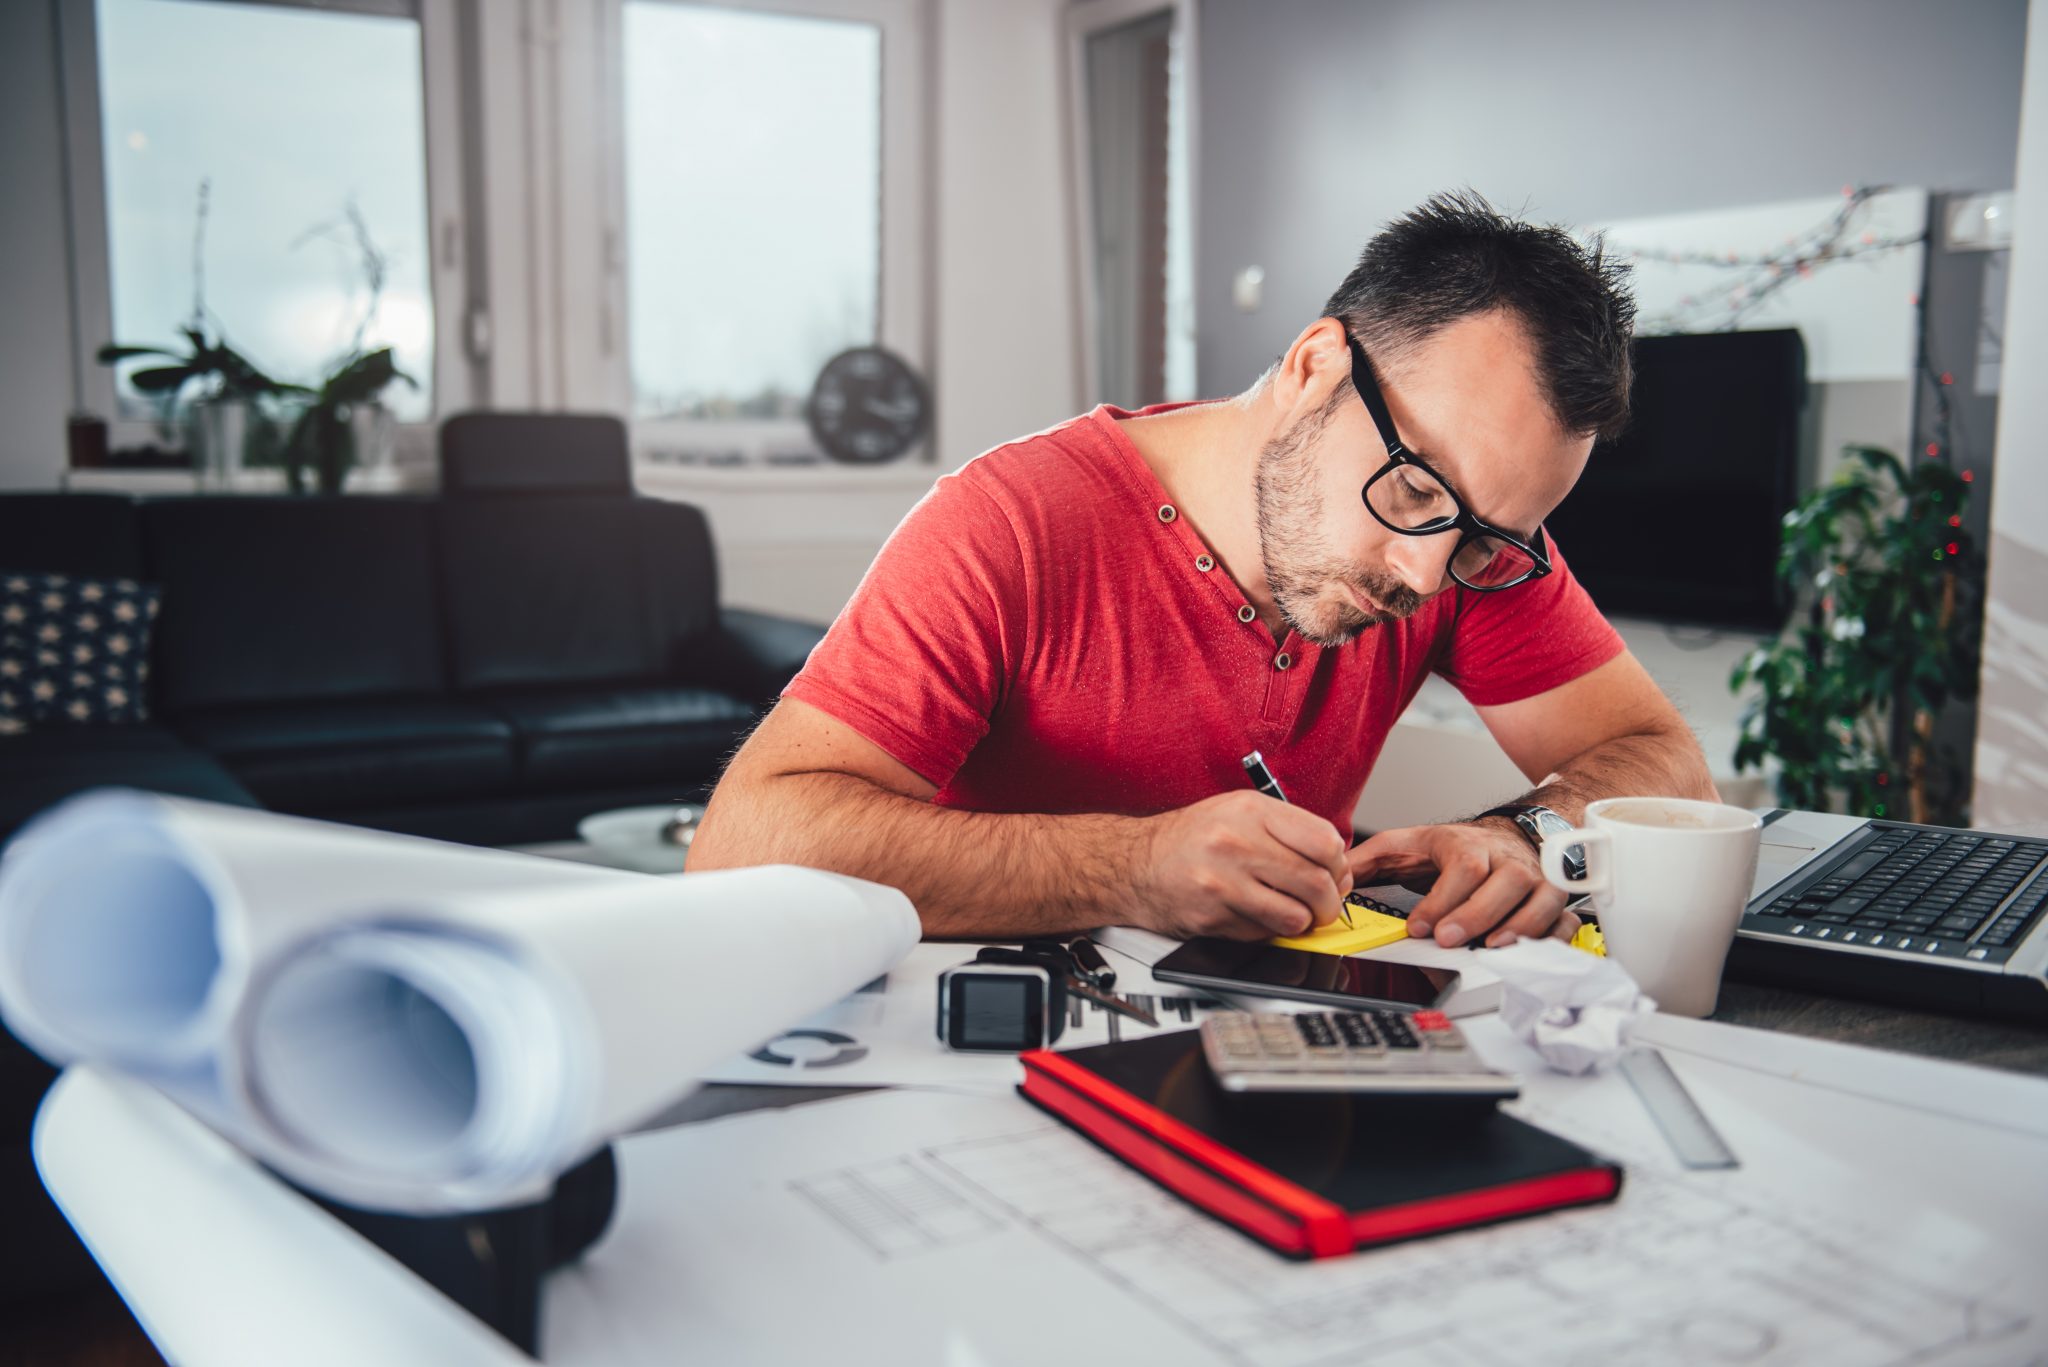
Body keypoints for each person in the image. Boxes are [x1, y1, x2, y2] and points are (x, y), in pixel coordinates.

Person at [688, 191, 1717, 949]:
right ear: (1315, 367)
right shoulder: (1008, 523)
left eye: (1481, 541)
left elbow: (1662, 761)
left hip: (1272, 1051)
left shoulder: (1466, 537)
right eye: (1410, 491)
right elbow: (741, 847)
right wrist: (1127, 867)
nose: (1423, 572)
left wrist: (1523, 834)